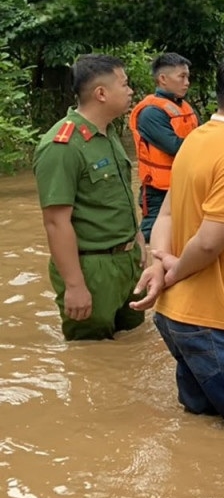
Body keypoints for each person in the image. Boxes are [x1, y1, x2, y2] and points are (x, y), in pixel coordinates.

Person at [134, 52, 224, 426]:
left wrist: (158, 263)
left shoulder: (196, 139)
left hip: (176, 317)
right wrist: (174, 270)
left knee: (203, 426)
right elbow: (212, 241)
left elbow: (165, 212)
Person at [33, 54, 144, 341]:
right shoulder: (63, 145)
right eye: (125, 84)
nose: (131, 90)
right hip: (92, 269)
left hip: (127, 260)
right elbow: (56, 222)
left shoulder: (108, 134)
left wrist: (140, 245)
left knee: (132, 345)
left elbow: (121, 199)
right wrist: (75, 285)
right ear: (101, 93)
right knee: (90, 354)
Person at [130, 53, 198, 241]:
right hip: (158, 191)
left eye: (187, 77)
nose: (187, 82)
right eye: (181, 76)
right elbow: (176, 146)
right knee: (152, 236)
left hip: (182, 184)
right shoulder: (151, 113)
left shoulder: (184, 107)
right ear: (163, 79)